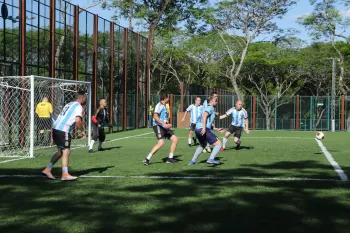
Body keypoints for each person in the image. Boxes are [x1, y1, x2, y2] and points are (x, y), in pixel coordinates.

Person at [41, 91, 87, 181]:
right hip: (63, 130)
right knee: (66, 151)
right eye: (85, 98)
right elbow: (78, 121)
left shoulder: (69, 104)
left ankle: (47, 170)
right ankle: (65, 174)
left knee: (60, 152)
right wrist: (82, 131)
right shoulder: (78, 106)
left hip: (55, 129)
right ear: (83, 98)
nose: (86, 100)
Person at [143, 94, 178, 166]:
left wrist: (167, 123)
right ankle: (147, 159)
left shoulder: (164, 106)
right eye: (168, 98)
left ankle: (170, 159)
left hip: (163, 126)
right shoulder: (159, 105)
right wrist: (163, 124)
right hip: (158, 126)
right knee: (161, 143)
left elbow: (162, 117)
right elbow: (155, 116)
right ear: (164, 98)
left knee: (175, 139)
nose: (169, 99)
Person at [189, 96, 224, 165]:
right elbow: (204, 116)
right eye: (216, 100)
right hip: (202, 129)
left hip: (197, 129)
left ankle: (192, 161)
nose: (217, 102)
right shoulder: (210, 108)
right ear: (211, 101)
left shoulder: (206, 108)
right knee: (219, 144)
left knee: (203, 145)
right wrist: (204, 128)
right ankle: (211, 159)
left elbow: (208, 122)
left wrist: (216, 129)